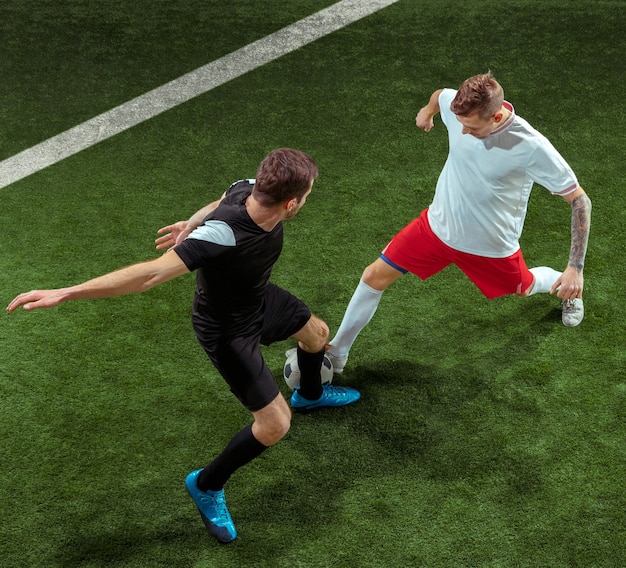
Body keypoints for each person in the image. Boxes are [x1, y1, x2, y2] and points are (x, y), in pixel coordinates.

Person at [6, 148, 360, 543]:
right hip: (226, 330)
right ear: (291, 202)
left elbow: (220, 199)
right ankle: (206, 485)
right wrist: (67, 292)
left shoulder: (249, 187)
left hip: (255, 298)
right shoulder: (223, 235)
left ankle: (310, 394)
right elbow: (149, 275)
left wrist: (188, 225)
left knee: (316, 333)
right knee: (275, 425)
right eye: (308, 196)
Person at [326, 72, 591, 374]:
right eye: (460, 123)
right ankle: (337, 353)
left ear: (497, 115)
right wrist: (427, 113)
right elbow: (441, 95)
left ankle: (570, 289)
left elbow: (580, 201)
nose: (462, 131)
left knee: (525, 287)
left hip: (490, 247)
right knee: (373, 276)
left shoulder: (531, 146)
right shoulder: (459, 109)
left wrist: (575, 268)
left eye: (472, 126)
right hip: (436, 228)